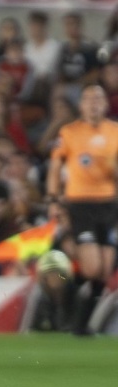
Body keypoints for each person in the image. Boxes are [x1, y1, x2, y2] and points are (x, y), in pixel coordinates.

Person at [46, 84, 118, 336]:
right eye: (88, 98)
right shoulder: (70, 132)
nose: (93, 103)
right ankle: (64, 309)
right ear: (81, 105)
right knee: (92, 268)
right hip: (80, 204)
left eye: (98, 98)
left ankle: (79, 325)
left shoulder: (115, 131)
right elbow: (55, 166)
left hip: (109, 204)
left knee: (105, 271)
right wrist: (53, 199)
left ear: (105, 104)